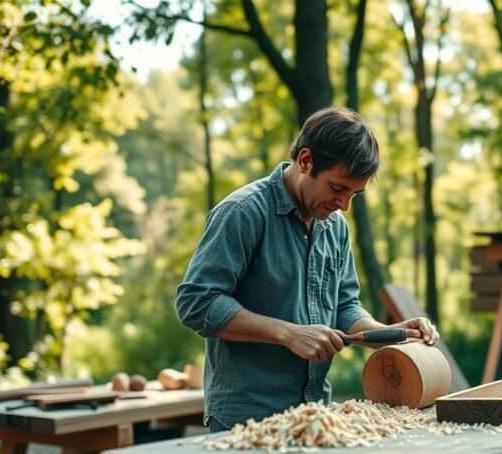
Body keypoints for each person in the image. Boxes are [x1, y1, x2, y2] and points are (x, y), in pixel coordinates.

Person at [176, 107, 438, 432]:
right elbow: (196, 303)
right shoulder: (242, 213)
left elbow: (345, 306)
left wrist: (388, 335)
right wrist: (289, 334)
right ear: (305, 161)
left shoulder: (335, 226)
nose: (344, 204)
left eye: (354, 194)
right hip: (245, 419)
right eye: (338, 188)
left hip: (314, 416)